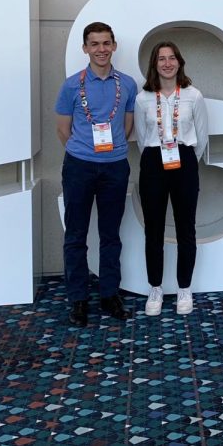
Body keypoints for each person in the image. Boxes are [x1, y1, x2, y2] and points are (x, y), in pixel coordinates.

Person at [55, 22, 137, 326]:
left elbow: (127, 126)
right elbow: (63, 130)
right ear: (85, 48)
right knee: (75, 235)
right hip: (78, 166)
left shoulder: (127, 84)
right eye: (94, 44)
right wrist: (85, 150)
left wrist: (110, 150)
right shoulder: (71, 85)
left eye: (106, 43)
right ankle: (78, 299)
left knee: (110, 234)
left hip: (115, 166)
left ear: (114, 46)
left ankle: (109, 294)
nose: (101, 49)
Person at [134, 41, 209, 316]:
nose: (167, 63)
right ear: (154, 64)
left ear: (180, 62)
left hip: (185, 161)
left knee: (185, 229)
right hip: (153, 162)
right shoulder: (143, 98)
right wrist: (158, 156)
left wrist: (184, 158)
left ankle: (184, 289)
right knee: (152, 230)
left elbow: (202, 138)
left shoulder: (194, 95)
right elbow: (142, 139)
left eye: (172, 58)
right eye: (161, 59)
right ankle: (155, 288)